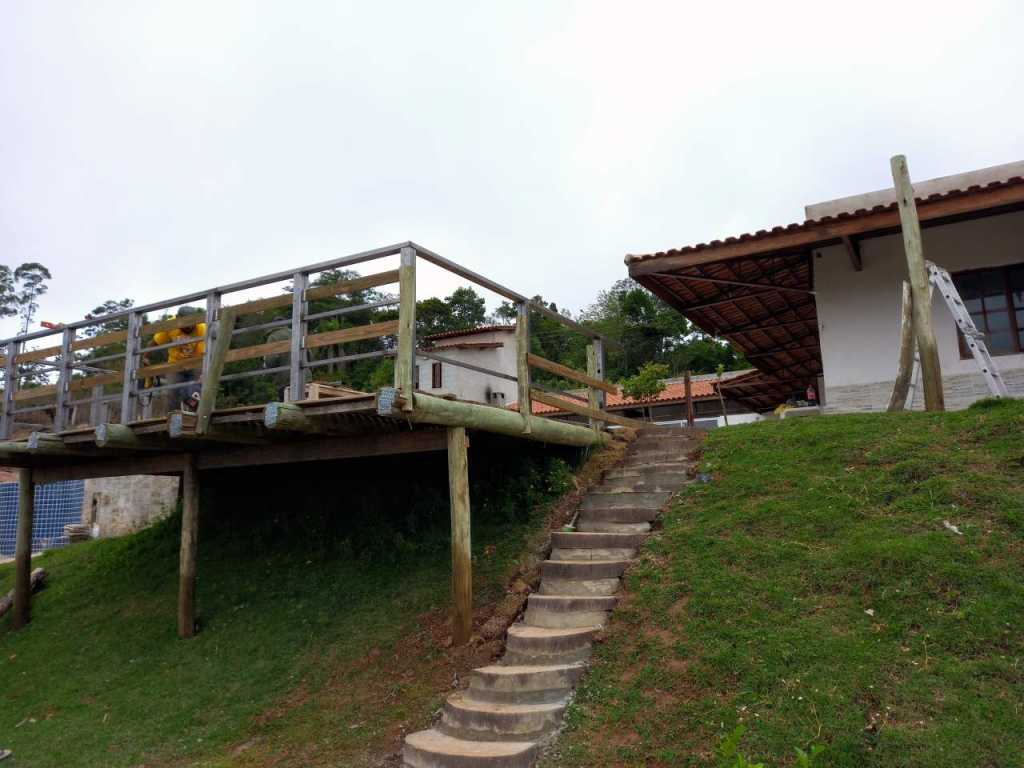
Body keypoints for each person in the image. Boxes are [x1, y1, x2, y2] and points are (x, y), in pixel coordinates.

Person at [153, 306, 207, 412]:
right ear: (178, 319)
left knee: (195, 393)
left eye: (191, 325)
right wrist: (144, 357)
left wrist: (203, 373)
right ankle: (173, 419)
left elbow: (206, 352)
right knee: (172, 393)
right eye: (185, 325)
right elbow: (155, 342)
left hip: (195, 361)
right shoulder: (170, 325)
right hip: (175, 363)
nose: (188, 328)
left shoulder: (201, 328)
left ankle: (195, 418)